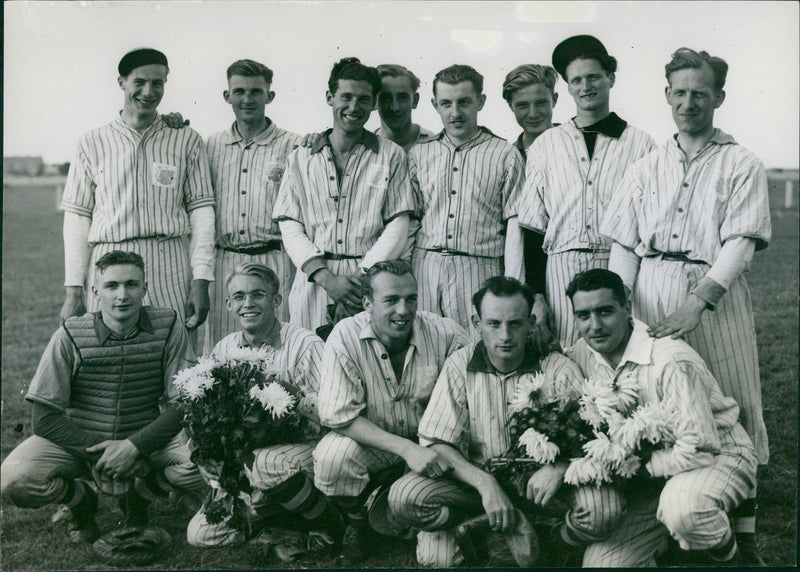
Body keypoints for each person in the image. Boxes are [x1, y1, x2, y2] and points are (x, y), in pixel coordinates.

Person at [600, 47, 771, 564]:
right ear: (667, 95)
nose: (689, 102)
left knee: (734, 398)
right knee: (660, 402)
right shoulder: (646, 164)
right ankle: (669, 517)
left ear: (719, 96)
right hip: (650, 287)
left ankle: (745, 534)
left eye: (701, 92)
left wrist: (700, 301)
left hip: (713, 292)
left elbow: (741, 242)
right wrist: (624, 303)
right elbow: (625, 244)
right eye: (680, 92)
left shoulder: (741, 162)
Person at [387, 276, 623, 567]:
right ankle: (489, 525)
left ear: (532, 323)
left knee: (604, 510)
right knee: (404, 498)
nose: (505, 336)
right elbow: (437, 442)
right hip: (476, 487)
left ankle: (551, 542)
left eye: (515, 323)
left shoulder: (558, 368)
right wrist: (486, 484)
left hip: (541, 489)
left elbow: (595, 436)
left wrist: (560, 467)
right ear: (477, 324)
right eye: (494, 324)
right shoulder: (460, 365)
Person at [1, 251, 204, 543]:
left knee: (205, 461)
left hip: (145, 438)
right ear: (95, 292)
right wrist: (104, 452)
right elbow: (43, 419)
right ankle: (80, 500)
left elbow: (183, 403)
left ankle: (141, 495)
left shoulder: (168, 325)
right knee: (12, 480)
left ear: (144, 288)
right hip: (79, 441)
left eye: (131, 284)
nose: (122, 295)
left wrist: (135, 447)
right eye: (111, 286)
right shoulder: (69, 334)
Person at [564, 269, 757, 566]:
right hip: (654, 473)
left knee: (684, 509)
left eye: (605, 312)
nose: (595, 326)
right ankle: (673, 547)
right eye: (583, 315)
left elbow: (700, 447)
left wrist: (634, 468)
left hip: (717, 452)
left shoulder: (670, 359)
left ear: (626, 308)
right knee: (602, 565)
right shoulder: (584, 352)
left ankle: (733, 557)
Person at [313, 259, 470, 564]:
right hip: (379, 444)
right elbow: (337, 414)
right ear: (367, 303)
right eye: (391, 300)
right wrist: (407, 450)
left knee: (438, 560)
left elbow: (471, 398)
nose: (403, 310)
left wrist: (431, 450)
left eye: (411, 298)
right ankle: (358, 520)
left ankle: (417, 515)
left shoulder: (447, 333)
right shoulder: (345, 335)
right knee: (332, 458)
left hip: (438, 449)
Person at [186, 263, 342, 556]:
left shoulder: (305, 344)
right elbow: (203, 408)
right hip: (249, 458)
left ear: (276, 300)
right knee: (199, 534)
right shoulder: (225, 348)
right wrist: (205, 452)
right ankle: (284, 525)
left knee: (265, 464)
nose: (249, 304)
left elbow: (334, 412)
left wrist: (289, 394)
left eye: (258, 294)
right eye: (240, 296)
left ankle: (329, 522)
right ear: (229, 304)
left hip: (307, 449)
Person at [60, 48, 215, 332]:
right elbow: (77, 219)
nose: (148, 91)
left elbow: (202, 212)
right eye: (139, 82)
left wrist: (200, 280)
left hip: (168, 263)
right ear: (121, 82)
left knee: (176, 358)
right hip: (109, 262)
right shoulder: (92, 142)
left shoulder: (186, 139)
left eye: (158, 83)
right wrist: (73, 291)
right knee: (107, 357)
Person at [515, 35, 655, 347]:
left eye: (593, 76)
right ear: (567, 87)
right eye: (576, 79)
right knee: (568, 356)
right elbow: (533, 230)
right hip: (560, 268)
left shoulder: (641, 144)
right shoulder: (547, 145)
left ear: (610, 78)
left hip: (618, 267)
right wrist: (537, 295)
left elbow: (646, 225)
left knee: (622, 355)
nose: (585, 86)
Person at [273, 58, 416, 333]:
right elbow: (290, 225)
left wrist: (363, 276)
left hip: (367, 281)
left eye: (363, 99)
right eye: (346, 97)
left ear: (374, 103)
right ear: (330, 97)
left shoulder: (391, 155)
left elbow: (398, 224)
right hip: (314, 279)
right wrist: (326, 277)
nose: (353, 107)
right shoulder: (302, 156)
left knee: (364, 360)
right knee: (309, 362)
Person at [410, 64, 530, 334]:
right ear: (435, 105)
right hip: (425, 267)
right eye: (446, 103)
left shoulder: (504, 154)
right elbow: (411, 221)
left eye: (464, 102)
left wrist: (512, 286)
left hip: (479, 267)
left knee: (476, 345)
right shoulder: (419, 154)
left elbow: (514, 225)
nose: (455, 113)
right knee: (423, 345)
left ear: (480, 102)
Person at [204, 59, 301, 354]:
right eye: (240, 91)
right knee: (227, 349)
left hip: (274, 257)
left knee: (275, 348)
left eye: (256, 92)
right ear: (227, 96)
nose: (247, 99)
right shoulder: (210, 146)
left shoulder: (293, 145)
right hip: (226, 261)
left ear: (269, 96)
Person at [501, 64, 559, 300]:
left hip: (559, 268)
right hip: (515, 271)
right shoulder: (505, 157)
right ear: (511, 106)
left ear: (554, 99)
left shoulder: (574, 152)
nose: (533, 113)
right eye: (522, 105)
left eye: (541, 103)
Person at [375, 64, 435, 152]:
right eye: (386, 98)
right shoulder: (365, 149)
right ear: (374, 101)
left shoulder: (435, 144)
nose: (394, 107)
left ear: (415, 100)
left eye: (402, 98)